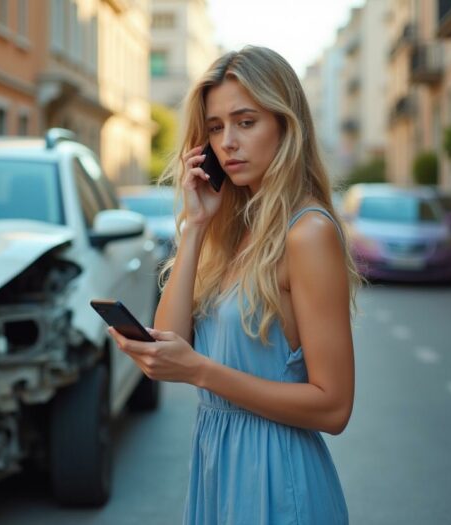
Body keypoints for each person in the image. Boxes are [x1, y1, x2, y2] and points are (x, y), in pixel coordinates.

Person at [107, 46, 360, 524]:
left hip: (280, 486)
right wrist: (196, 227)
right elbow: (170, 349)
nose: (227, 143)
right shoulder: (230, 231)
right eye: (216, 127)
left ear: (286, 126)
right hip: (217, 474)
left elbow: (333, 406)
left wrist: (201, 371)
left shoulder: (307, 233)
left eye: (246, 122)